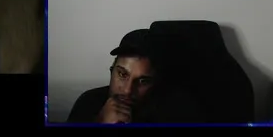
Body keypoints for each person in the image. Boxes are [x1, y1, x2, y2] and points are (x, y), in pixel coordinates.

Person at [63, 29, 206, 123]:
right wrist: (99, 122)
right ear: (111, 71)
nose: (127, 90)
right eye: (122, 74)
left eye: (143, 81)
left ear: (157, 83)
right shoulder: (88, 102)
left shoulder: (175, 113)